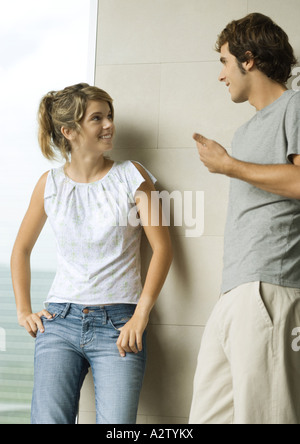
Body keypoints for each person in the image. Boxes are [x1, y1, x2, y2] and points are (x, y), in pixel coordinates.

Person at [10, 83, 173, 424]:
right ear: (69, 131)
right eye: (97, 118)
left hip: (119, 324)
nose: (109, 124)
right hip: (59, 323)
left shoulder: (134, 176)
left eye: (110, 116)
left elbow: (163, 249)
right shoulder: (49, 184)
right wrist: (24, 310)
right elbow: (21, 249)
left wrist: (140, 316)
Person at [189, 13, 300, 424]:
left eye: (224, 61)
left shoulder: (295, 106)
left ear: (248, 59)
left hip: (270, 285)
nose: (221, 75)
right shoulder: (244, 132)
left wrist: (229, 166)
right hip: (234, 292)